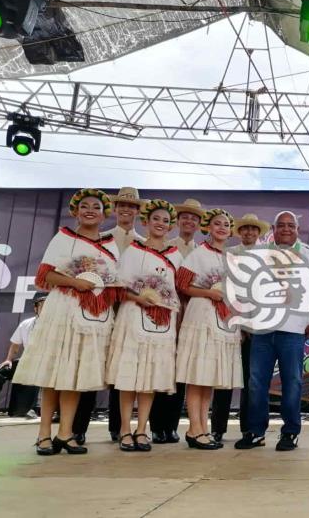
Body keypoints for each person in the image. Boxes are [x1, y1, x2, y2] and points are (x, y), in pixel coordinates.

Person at [13, 189, 123, 455]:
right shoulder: (63, 238)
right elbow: (46, 275)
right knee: (54, 372)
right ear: (75, 211)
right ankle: (43, 435)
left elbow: (113, 281)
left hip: (94, 315)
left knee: (74, 374)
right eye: (84, 206)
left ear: (104, 213)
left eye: (96, 206)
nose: (89, 210)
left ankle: (66, 433)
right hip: (63, 309)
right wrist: (76, 282)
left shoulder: (110, 244)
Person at [235, 211, 309, 452]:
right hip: (263, 330)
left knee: (293, 382)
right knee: (257, 382)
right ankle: (256, 432)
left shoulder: (308, 255)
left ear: (297, 229)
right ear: (273, 230)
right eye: (281, 226)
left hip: (294, 330)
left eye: (291, 225)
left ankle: (290, 433)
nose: (286, 229)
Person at [105, 199, 183, 452]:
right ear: (146, 222)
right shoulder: (133, 250)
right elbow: (120, 287)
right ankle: (125, 429)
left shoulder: (175, 255)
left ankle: (142, 430)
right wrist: (141, 298)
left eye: (165, 221)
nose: (160, 224)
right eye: (156, 219)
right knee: (129, 376)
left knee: (150, 376)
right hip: (133, 317)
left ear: (170, 226)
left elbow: (177, 292)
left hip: (162, 322)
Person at [74, 186, 146, 444]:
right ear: (114, 209)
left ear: (138, 211)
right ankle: (78, 426)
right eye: (122, 205)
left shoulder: (144, 243)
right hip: (100, 307)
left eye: (132, 206)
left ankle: (119, 426)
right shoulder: (100, 238)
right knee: (90, 363)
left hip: (129, 310)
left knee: (123, 369)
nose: (126, 209)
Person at [175, 208, 243, 450]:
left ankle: (202, 427)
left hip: (223, 319)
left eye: (226, 224)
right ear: (208, 227)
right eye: (217, 223)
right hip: (202, 314)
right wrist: (209, 293)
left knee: (208, 377)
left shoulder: (230, 258)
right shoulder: (197, 254)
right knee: (197, 375)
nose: (222, 228)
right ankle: (194, 428)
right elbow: (182, 285)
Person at [211, 213, 270, 443]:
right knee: (224, 377)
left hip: (256, 328)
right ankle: (217, 428)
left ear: (258, 233)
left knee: (251, 380)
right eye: (244, 229)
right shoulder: (228, 254)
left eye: (253, 229)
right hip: (229, 324)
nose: (248, 233)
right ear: (239, 231)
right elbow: (225, 290)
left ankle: (250, 428)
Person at [150, 197, 204, 445]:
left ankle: (172, 426)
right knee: (161, 367)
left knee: (181, 372)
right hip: (165, 311)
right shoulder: (166, 247)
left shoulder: (201, 251)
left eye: (194, 218)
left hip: (192, 314)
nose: (189, 221)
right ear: (177, 221)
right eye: (185, 217)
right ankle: (156, 426)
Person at [0, 294, 46, 418]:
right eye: (42, 305)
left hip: (46, 364)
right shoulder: (26, 324)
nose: (45, 308)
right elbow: (15, 344)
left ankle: (34, 408)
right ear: (36, 308)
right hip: (27, 362)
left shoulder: (56, 325)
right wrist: (8, 360)